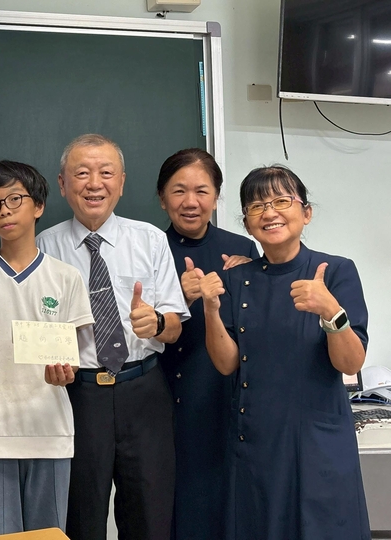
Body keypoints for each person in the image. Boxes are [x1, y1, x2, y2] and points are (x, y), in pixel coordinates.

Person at [198, 165, 370, 540]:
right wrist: (210, 309)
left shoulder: (335, 271)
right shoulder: (236, 279)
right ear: (247, 224)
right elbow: (226, 363)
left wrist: (331, 311)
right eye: (257, 206)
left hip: (318, 441)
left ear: (306, 213)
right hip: (257, 441)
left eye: (281, 201)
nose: (269, 212)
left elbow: (350, 362)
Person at [36, 134, 189, 540]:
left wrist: (157, 323)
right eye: (81, 174)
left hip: (144, 390)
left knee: (150, 515)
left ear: (121, 182)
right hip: (78, 395)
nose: (94, 184)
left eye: (106, 173)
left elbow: (175, 326)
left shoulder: (150, 240)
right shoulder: (43, 247)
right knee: (81, 517)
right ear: (63, 184)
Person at [0, 160, 94, 537]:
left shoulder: (65, 277)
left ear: (38, 205)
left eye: (14, 199)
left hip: (49, 432)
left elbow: (72, 357)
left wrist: (65, 373)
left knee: (48, 535)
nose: (4, 211)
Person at [155, 148, 259, 540]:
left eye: (201, 191)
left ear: (216, 197)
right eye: (178, 191)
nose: (190, 202)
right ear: (162, 198)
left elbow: (253, 326)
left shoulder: (242, 250)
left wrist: (253, 277)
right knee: (169, 507)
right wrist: (178, 297)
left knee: (224, 504)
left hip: (222, 396)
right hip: (161, 400)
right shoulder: (149, 248)